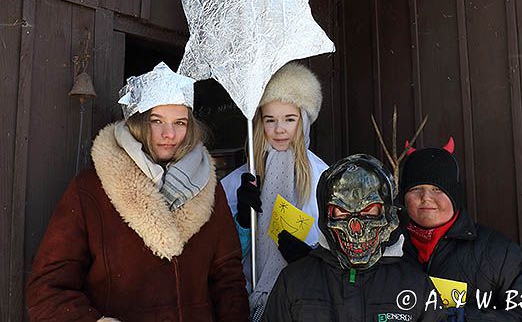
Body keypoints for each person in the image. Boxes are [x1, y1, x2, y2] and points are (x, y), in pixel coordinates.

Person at [26, 62, 249, 322]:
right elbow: (47, 290)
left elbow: (228, 277)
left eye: (180, 122)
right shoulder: (90, 190)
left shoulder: (208, 187)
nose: (169, 134)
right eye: (157, 121)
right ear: (139, 123)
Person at [262, 154, 446, 322]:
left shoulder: (415, 285)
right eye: (342, 212)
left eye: (368, 211)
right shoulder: (294, 282)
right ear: (327, 217)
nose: (356, 229)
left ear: (388, 214)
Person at [400, 138, 522, 321]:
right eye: (416, 188)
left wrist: (467, 318)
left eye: (437, 188)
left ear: (454, 195)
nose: (426, 198)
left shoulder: (498, 251)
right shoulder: (386, 251)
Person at [221, 62, 328, 318]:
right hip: (247, 303)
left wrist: (310, 257)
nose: (280, 130)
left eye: (289, 119)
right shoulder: (237, 182)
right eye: (271, 120)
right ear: (260, 123)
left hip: (306, 303)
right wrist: (242, 225)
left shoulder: (324, 178)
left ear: (303, 122)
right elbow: (220, 258)